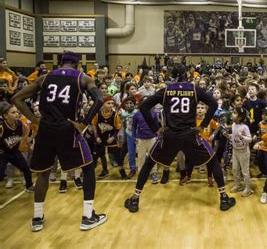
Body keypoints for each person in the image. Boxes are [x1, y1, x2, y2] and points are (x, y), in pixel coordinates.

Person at [11, 51, 106, 232]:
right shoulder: (82, 78)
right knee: (87, 167)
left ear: (60, 63)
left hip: (45, 130)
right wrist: (83, 124)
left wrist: (34, 119)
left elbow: (16, 98)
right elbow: (99, 99)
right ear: (78, 65)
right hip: (67, 128)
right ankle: (88, 216)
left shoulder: (44, 78)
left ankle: (37, 218)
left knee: (43, 173)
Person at [124, 63, 235, 213]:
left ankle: (135, 199)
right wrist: (202, 125)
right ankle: (223, 197)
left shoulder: (166, 90)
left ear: (172, 75)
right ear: (188, 75)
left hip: (170, 135)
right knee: (213, 160)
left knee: (149, 163)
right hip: (190, 134)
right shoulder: (195, 89)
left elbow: (144, 106)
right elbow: (214, 104)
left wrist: (156, 128)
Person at [0, 103, 34, 193]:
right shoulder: (2, 127)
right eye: (13, 112)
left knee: (26, 169)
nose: (17, 114)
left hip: (15, 152)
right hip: (3, 154)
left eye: (17, 112)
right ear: (5, 115)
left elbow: (26, 132)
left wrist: (25, 141)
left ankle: (29, 186)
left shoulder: (19, 124)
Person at [229, 107, 253, 197]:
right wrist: (229, 136)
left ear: (239, 117)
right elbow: (234, 136)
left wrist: (242, 136)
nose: (232, 114)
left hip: (244, 152)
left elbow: (250, 139)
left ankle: (248, 188)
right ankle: (238, 185)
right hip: (235, 151)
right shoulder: (233, 125)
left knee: (245, 171)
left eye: (234, 113)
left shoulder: (245, 127)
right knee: (235, 169)